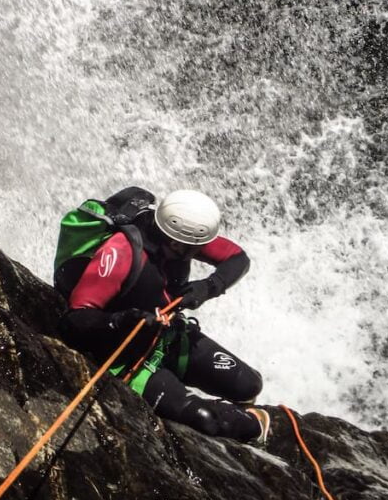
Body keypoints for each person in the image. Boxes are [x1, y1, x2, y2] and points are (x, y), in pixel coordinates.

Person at [56, 187, 270, 445]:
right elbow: (74, 319)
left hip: (166, 339)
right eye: (195, 247)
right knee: (206, 419)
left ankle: (221, 407)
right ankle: (233, 419)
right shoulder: (121, 252)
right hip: (127, 358)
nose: (201, 250)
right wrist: (123, 320)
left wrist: (208, 287)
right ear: (176, 242)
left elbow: (237, 258)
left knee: (249, 385)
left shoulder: (179, 237)